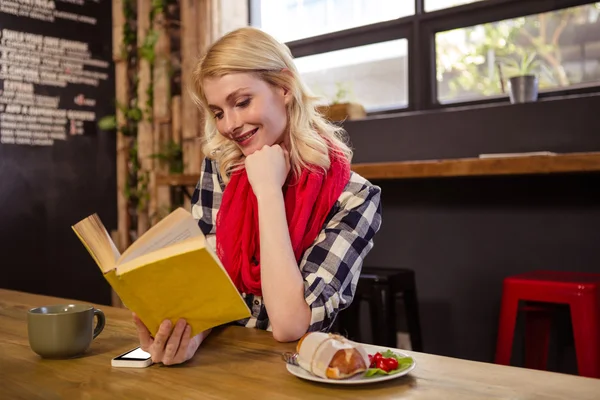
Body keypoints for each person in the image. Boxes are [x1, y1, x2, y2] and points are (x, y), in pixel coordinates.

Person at [133, 26, 382, 366]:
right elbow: (210, 286)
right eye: (219, 112)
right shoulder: (221, 171)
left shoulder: (354, 197)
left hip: (296, 371)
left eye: (242, 102)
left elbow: (290, 324)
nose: (229, 125)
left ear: (284, 87)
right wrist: (192, 335)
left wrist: (267, 192)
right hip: (223, 362)